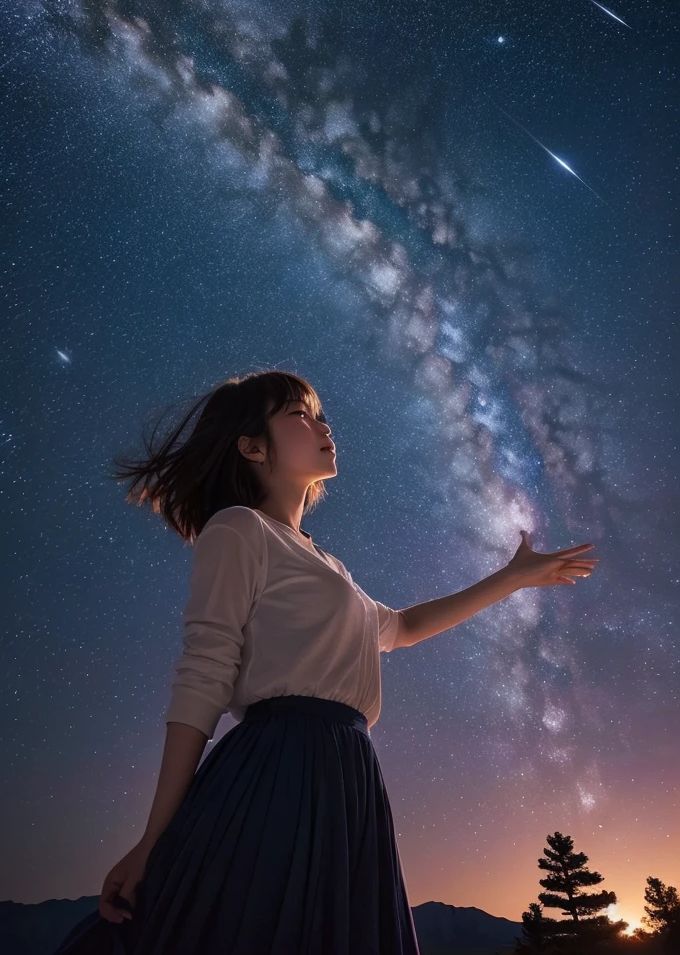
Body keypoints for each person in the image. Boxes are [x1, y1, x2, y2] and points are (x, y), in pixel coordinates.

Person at [51, 369, 598, 955]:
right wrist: (152, 840)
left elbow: (403, 627)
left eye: (320, 414)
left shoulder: (326, 564)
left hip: (350, 774)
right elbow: (203, 675)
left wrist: (512, 579)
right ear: (253, 446)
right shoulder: (238, 529)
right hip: (281, 767)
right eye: (299, 414)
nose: (323, 426)